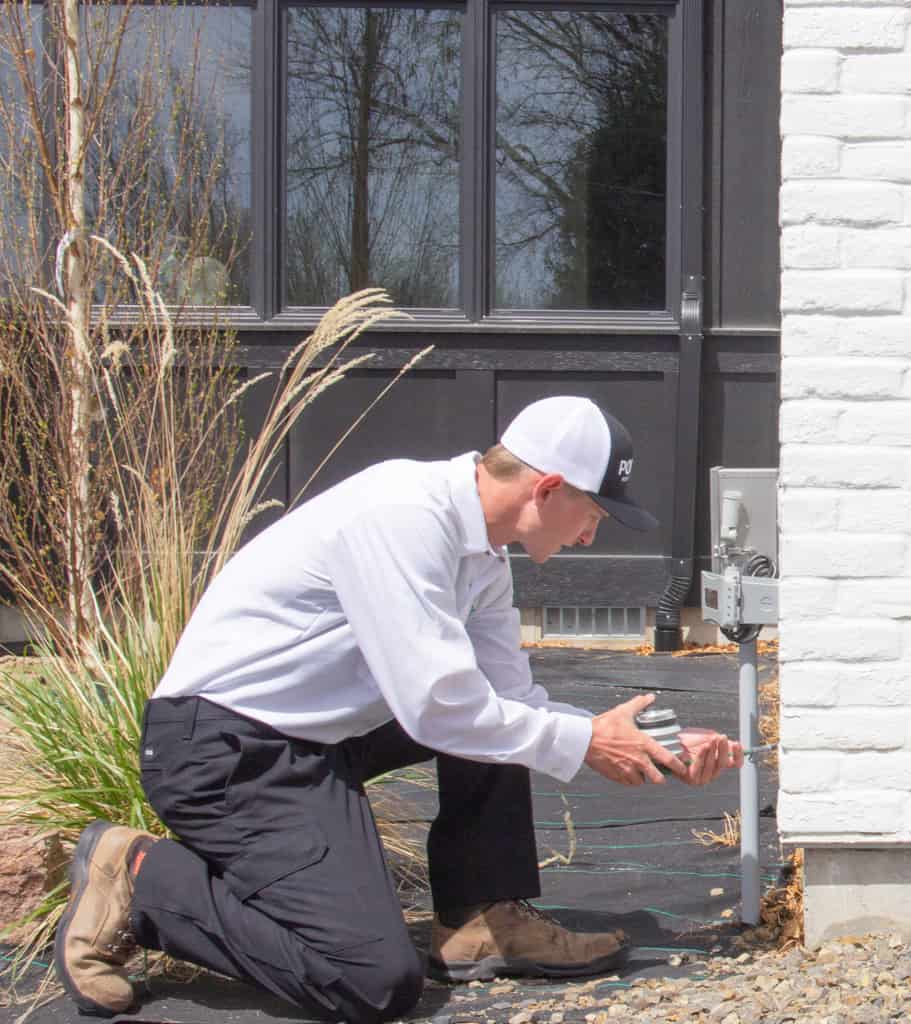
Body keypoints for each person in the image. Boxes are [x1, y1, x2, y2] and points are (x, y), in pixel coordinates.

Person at [54, 395, 743, 1024]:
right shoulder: (400, 518)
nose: (591, 536)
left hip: (318, 738)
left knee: (497, 717)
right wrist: (585, 741)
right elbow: (438, 708)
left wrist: (653, 744)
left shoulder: (482, 557)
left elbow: (505, 704)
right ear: (547, 488)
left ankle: (478, 919)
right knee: (371, 981)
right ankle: (142, 879)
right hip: (222, 749)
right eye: (593, 514)